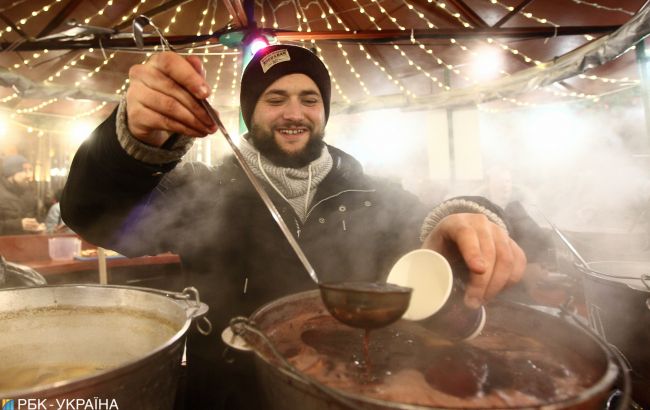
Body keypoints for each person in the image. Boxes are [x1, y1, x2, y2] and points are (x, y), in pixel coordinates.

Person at [61, 45, 527, 409]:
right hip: (227, 396)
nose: (294, 112)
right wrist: (134, 139)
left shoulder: (371, 193)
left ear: (324, 112)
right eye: (275, 98)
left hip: (347, 393)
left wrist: (467, 216)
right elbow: (96, 214)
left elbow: (429, 226)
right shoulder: (204, 193)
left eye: (309, 99)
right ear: (249, 114)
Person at [0, 154, 44, 235]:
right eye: (25, 170)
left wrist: (39, 226)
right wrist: (19, 225)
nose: (29, 175)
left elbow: (37, 217)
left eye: (30, 170)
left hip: (26, 244)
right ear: (11, 173)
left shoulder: (29, 192)